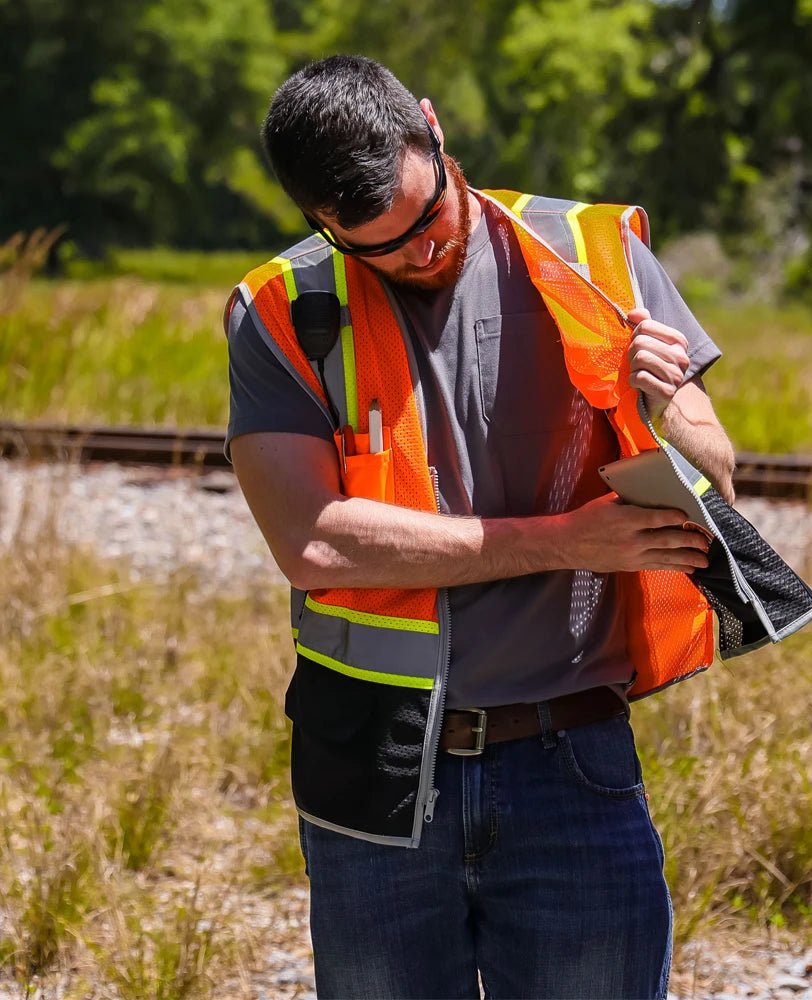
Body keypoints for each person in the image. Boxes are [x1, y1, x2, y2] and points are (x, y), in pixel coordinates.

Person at [226, 54, 736, 1000]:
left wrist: (672, 410)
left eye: (428, 214)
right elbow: (313, 541)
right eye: (378, 244)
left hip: (571, 759)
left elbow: (718, 477)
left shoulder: (592, 255)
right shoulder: (282, 311)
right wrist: (560, 542)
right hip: (371, 770)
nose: (421, 250)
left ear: (432, 125)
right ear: (320, 222)